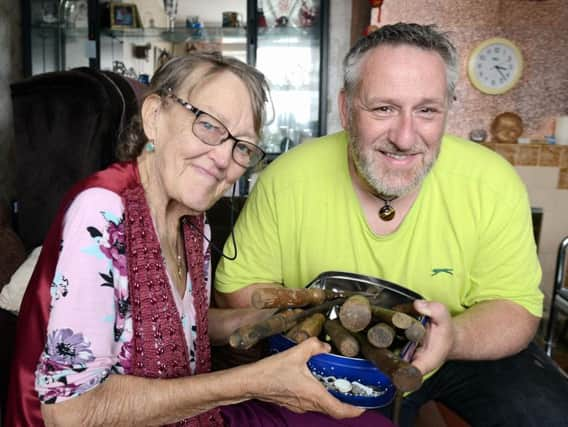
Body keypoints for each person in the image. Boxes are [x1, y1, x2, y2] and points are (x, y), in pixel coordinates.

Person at [5, 52, 395, 427]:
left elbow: (177, 326)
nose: (225, 159)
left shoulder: (193, 221)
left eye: (242, 147)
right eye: (209, 125)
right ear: (154, 116)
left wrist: (266, 319)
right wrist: (254, 381)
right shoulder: (102, 211)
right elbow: (70, 414)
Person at [214, 23, 568, 427]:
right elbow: (238, 294)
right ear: (346, 109)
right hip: (335, 355)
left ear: (448, 109)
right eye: (383, 108)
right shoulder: (287, 178)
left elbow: (515, 308)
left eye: (427, 110)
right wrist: (323, 327)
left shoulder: (493, 182)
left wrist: (450, 338)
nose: (404, 136)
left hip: (460, 345)